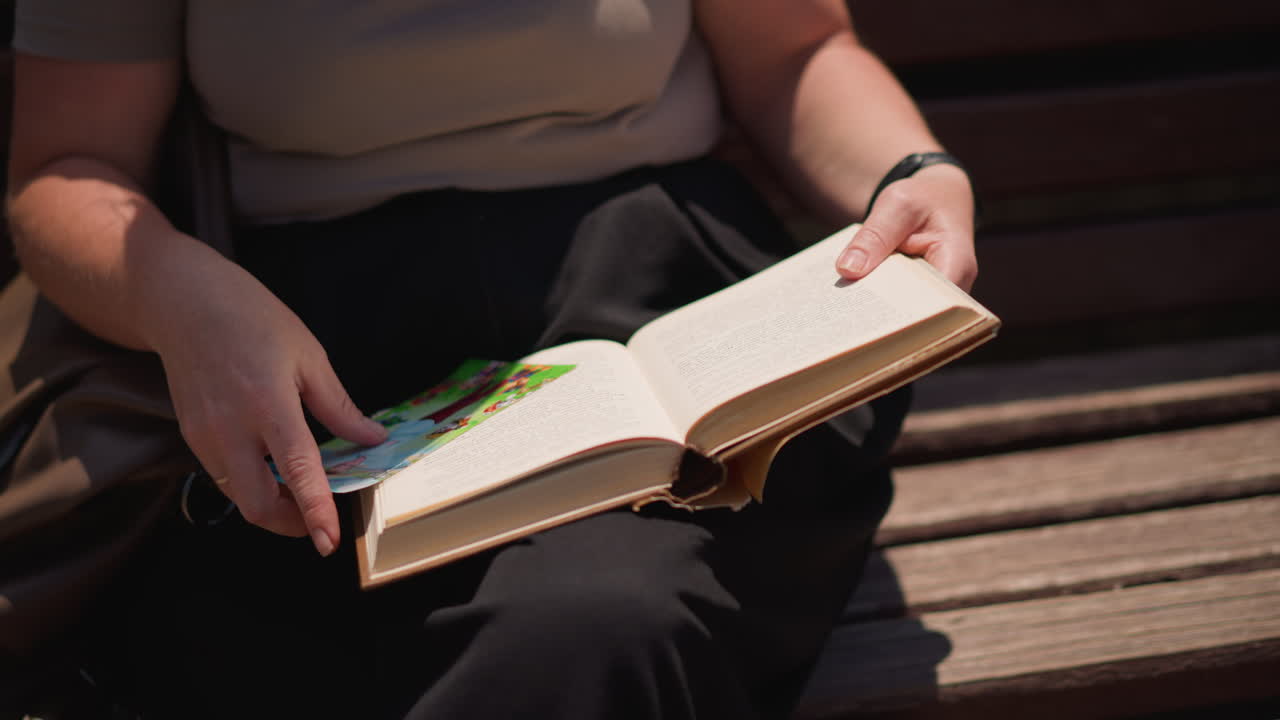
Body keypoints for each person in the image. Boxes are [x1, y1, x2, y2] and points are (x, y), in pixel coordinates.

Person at [7, 1, 977, 718]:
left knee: (595, 622)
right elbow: (64, 166)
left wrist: (909, 171)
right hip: (312, 369)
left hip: (664, 316)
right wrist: (182, 301)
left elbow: (799, 52)